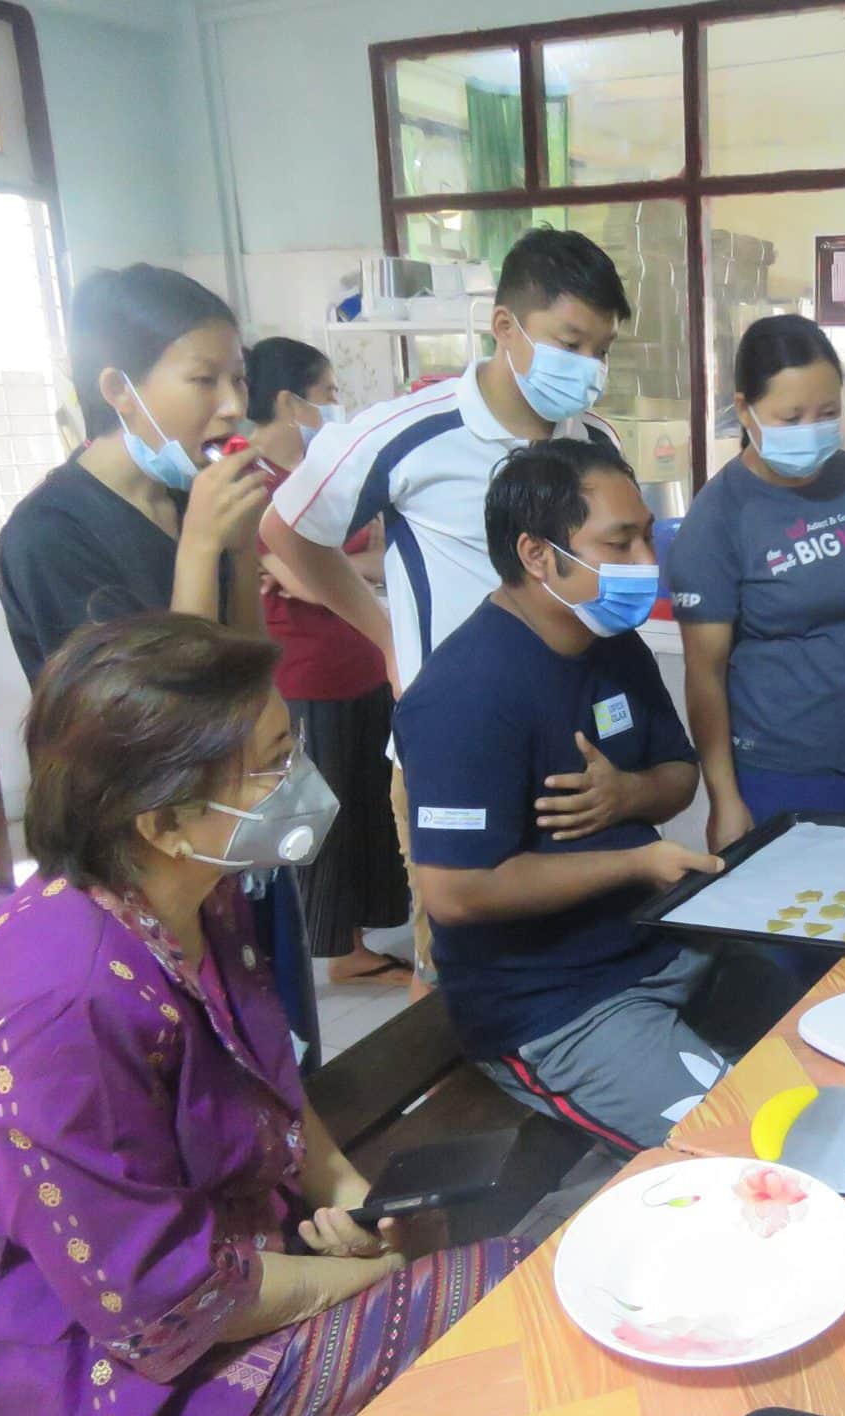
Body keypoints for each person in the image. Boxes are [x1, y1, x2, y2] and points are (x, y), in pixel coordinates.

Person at [0, 614, 527, 1416]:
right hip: (83, 1385)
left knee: (464, 1253)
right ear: (166, 821)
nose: (298, 780)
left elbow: (258, 1069)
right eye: (271, 765)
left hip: (202, 1260)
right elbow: (163, 1304)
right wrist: (366, 1277)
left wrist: (347, 1192)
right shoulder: (58, 1016)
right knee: (500, 1288)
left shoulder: (203, 893)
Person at [261, 227, 629, 983]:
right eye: (572, 343)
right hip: (457, 748)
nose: (589, 370)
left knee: (581, 946)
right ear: (506, 327)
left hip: (573, 745)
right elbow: (288, 531)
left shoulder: (594, 442)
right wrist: (387, 637)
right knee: (462, 969)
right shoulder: (410, 432)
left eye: (603, 350)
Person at [395, 438, 776, 1153]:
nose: (645, 563)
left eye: (646, 537)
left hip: (657, 946)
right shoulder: (463, 695)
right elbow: (454, 890)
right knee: (742, 1146)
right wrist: (636, 864)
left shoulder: (609, 639)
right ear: (538, 555)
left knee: (816, 1036)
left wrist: (625, 795)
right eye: (619, 542)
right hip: (557, 1011)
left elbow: (678, 775)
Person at [668, 313, 845, 853]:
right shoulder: (720, 514)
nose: (812, 430)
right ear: (745, 408)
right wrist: (724, 797)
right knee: (780, 928)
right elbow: (705, 675)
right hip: (774, 770)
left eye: (828, 413)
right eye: (791, 417)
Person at [0, 264, 272, 682]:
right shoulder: (49, 534)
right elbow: (160, 720)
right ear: (119, 390)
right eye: (204, 379)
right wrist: (199, 547)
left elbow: (248, 669)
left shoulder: (189, 495)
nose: (234, 405)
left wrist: (240, 549)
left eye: (238, 379)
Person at [245, 337, 411, 984]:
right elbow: (314, 581)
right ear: (288, 401)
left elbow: (370, 556)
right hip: (309, 677)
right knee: (329, 811)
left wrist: (334, 569)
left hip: (361, 666)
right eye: (329, 394)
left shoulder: (316, 480)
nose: (336, 407)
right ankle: (338, 949)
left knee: (366, 805)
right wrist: (335, 570)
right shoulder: (252, 483)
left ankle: (359, 938)